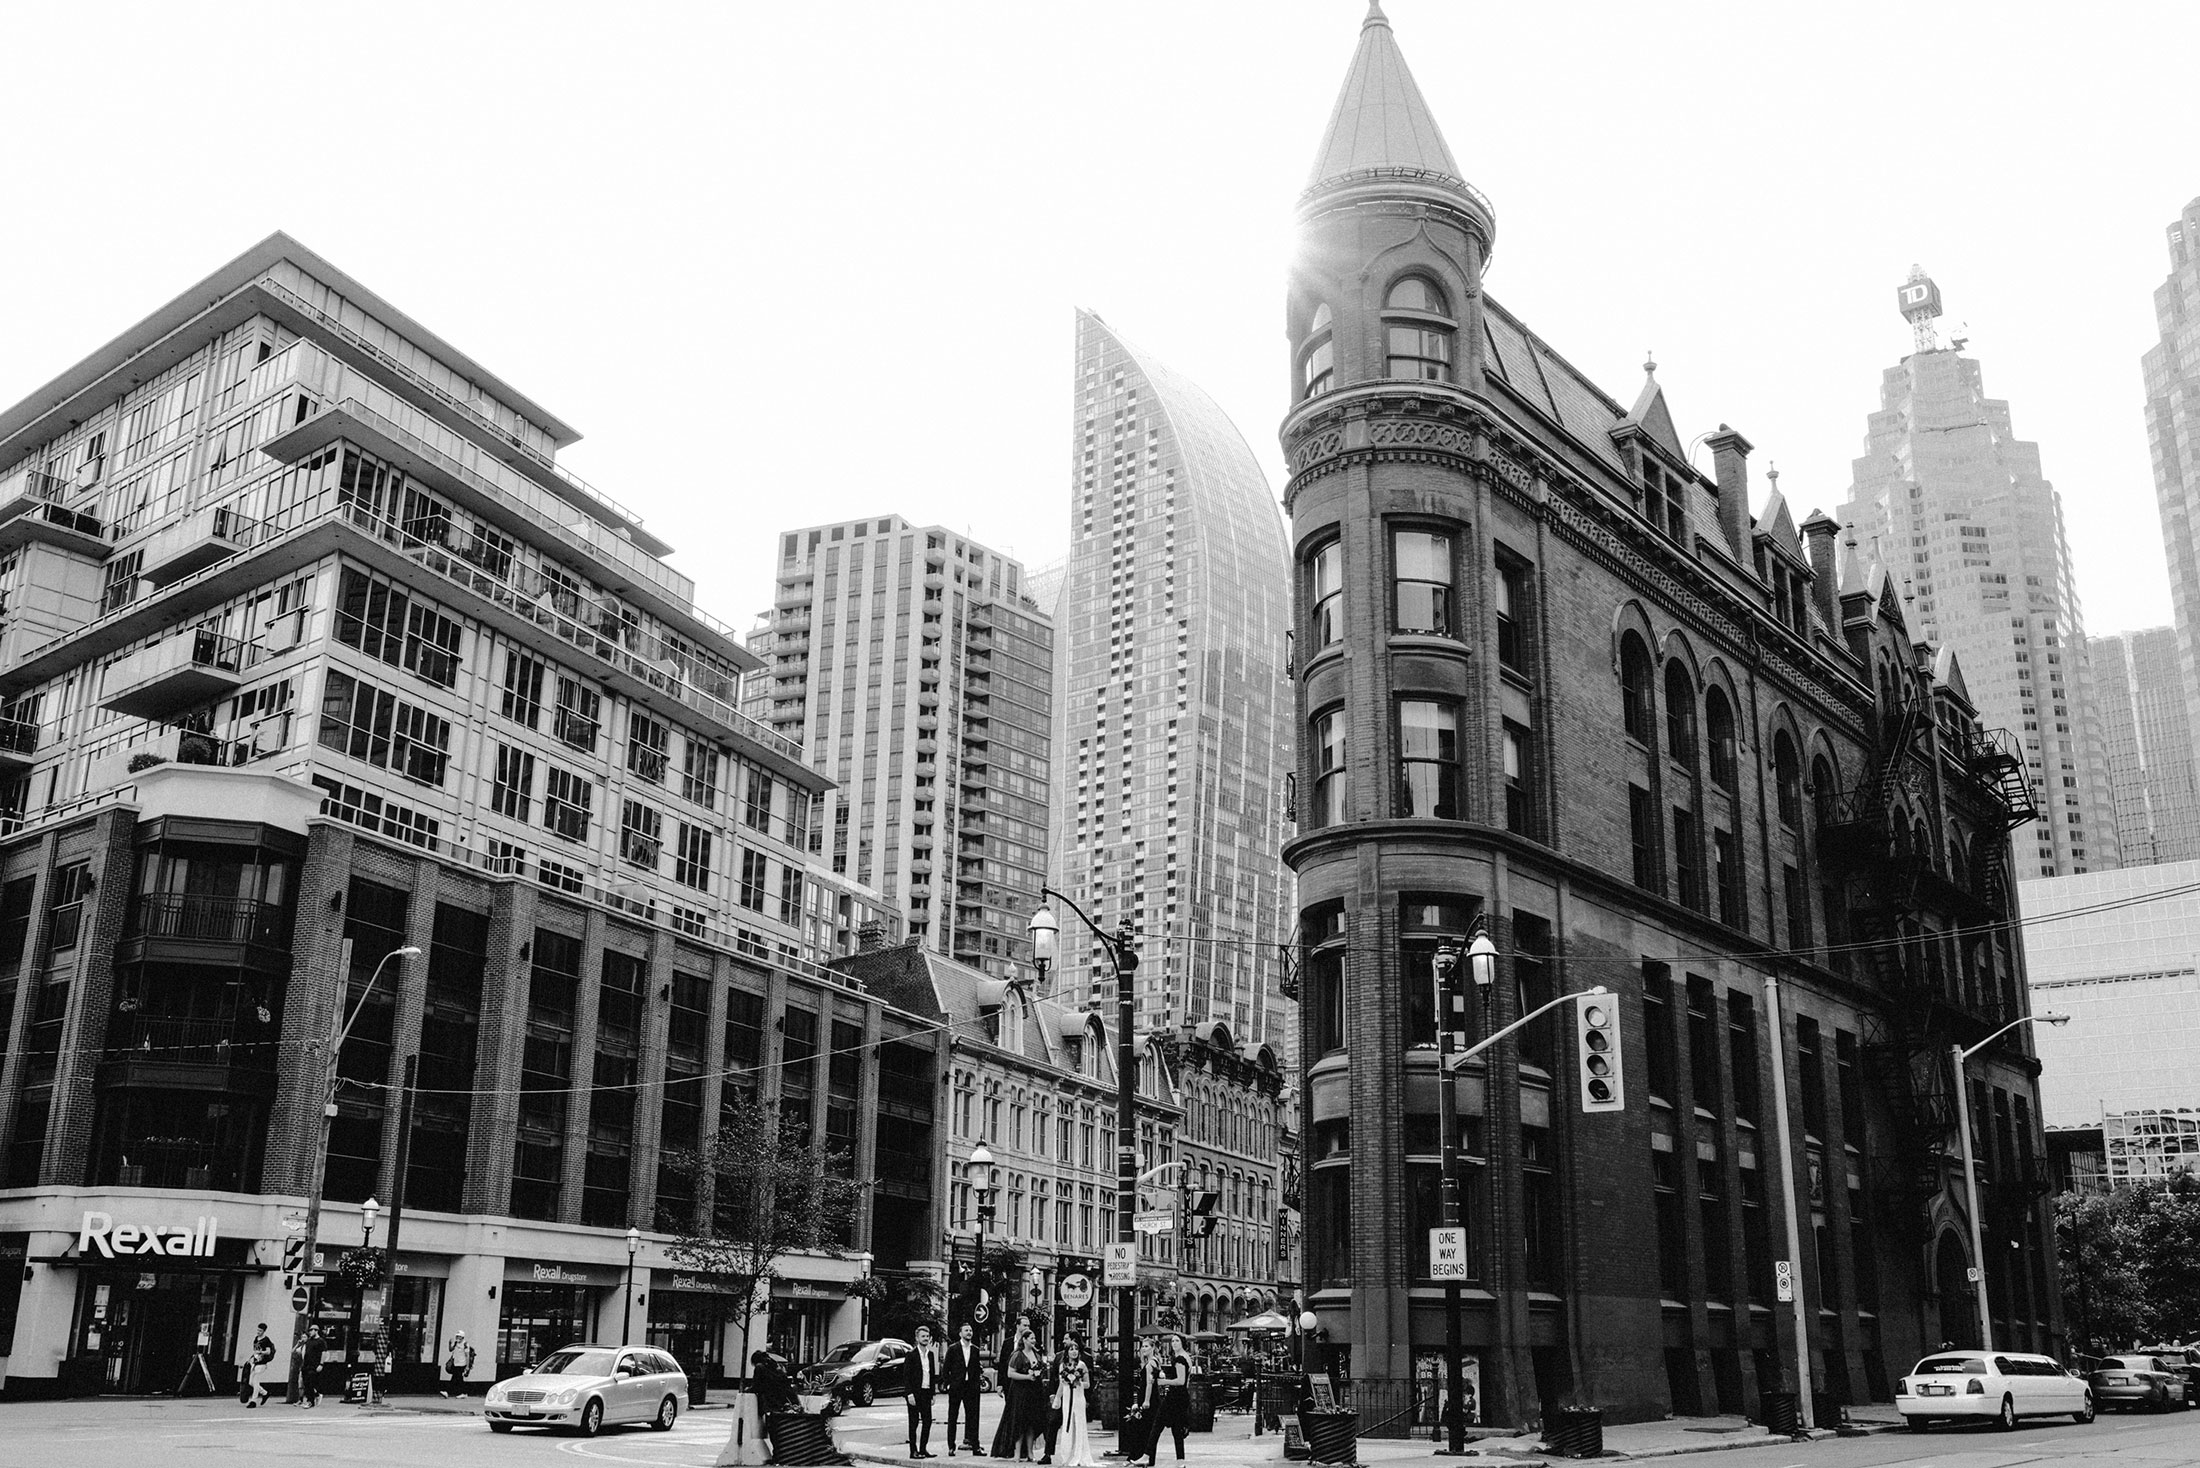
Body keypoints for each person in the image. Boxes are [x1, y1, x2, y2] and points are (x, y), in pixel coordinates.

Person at [1135, 1335, 1190, 1465]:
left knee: (1157, 1425)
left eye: (1177, 1341)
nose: (1174, 1343)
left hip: (1174, 1397)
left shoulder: (1180, 1359)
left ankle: (1147, 1455)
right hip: (1181, 1397)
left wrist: (1163, 1381)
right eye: (1173, 1341)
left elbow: (1181, 1381)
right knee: (1176, 1429)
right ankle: (1180, 1461)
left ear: (1182, 1343)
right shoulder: (1185, 1357)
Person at [992, 1324, 1043, 1460]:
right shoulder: (1017, 1355)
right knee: (1019, 1422)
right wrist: (1027, 1376)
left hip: (1033, 1392)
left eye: (1034, 1338)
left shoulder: (1037, 1354)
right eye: (1031, 1338)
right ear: (1024, 1340)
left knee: (1031, 1423)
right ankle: (1017, 1452)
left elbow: (1040, 1370)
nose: (1033, 1341)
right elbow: (1010, 1373)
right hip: (1019, 1392)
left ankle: (1030, 1453)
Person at [1052, 1338, 1096, 1468]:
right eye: (1071, 1349)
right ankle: (1067, 1454)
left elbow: (1088, 1384)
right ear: (1067, 1352)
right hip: (1067, 1398)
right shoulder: (1062, 1366)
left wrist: (1078, 1382)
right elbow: (1061, 1384)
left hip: (1078, 1397)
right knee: (1068, 1423)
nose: (1074, 1352)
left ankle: (1079, 1453)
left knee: (1079, 1424)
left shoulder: (1082, 1365)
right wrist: (1057, 1398)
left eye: (1076, 1349)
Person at [944, 1322, 984, 1455]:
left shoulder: (975, 1350)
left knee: (973, 1416)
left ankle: (975, 1446)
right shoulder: (953, 1348)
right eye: (966, 1330)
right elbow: (946, 1368)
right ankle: (951, 1446)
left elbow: (977, 1368)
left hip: (971, 1387)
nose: (969, 1333)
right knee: (953, 1416)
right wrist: (948, 1384)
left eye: (971, 1330)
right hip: (956, 1386)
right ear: (960, 1333)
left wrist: (977, 1382)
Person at [908, 1324, 942, 1458]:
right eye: (923, 1336)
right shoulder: (911, 1355)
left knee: (927, 1422)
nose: (925, 1339)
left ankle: (923, 1448)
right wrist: (909, 1393)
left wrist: (933, 1393)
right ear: (917, 1338)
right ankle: (913, 1451)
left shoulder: (931, 1354)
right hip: (915, 1393)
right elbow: (907, 1376)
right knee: (914, 1422)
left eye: (927, 1336)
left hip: (927, 1392)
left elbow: (932, 1374)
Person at [245, 1323, 277, 1407]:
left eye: (260, 1331)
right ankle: (265, 1393)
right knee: (251, 1382)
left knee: (255, 1381)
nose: (258, 1332)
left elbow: (268, 1351)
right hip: (255, 1362)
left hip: (262, 1363)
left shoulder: (266, 1340)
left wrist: (261, 1352)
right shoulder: (256, 1339)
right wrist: (252, 1358)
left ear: (264, 1331)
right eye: (258, 1330)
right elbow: (255, 1350)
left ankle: (253, 1401)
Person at [441, 1330, 475, 1397]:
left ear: (462, 1337)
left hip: (462, 1364)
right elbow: (450, 1350)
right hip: (455, 1363)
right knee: (459, 1379)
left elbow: (467, 1355)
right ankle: (463, 1393)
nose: (457, 1338)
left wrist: (467, 1366)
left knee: (455, 1377)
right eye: (457, 1336)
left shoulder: (465, 1344)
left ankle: (447, 1391)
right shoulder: (456, 1343)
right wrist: (449, 1343)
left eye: (459, 1336)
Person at [297, 1327, 325, 1408]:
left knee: (310, 1382)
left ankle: (310, 1401)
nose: (310, 1333)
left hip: (314, 1365)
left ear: (316, 1331)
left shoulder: (321, 1341)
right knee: (306, 1383)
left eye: (311, 1331)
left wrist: (321, 1364)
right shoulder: (309, 1341)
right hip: (306, 1365)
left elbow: (324, 1353)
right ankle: (315, 1395)